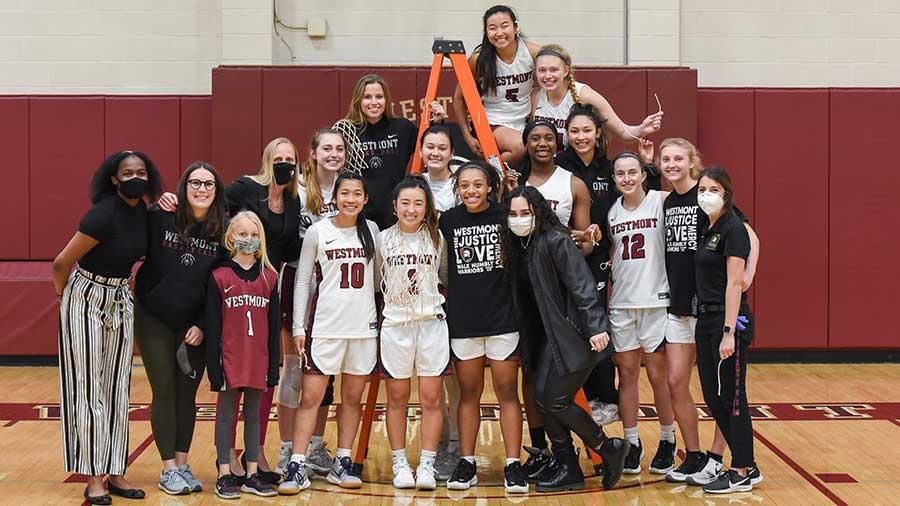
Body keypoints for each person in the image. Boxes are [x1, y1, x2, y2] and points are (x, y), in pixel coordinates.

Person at [159, 137, 302, 481]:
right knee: (229, 399)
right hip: (232, 283)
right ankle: (227, 464)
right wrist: (175, 200)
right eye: (278, 157)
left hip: (265, 282)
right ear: (266, 160)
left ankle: (255, 458)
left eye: (290, 158)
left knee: (261, 387)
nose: (284, 163)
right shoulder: (244, 189)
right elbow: (211, 204)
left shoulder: (295, 200)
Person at [502, 185, 630, 492]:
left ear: (539, 213)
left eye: (526, 213)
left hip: (573, 333)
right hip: (546, 337)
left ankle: (608, 447)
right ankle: (567, 466)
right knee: (544, 401)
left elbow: (582, 284)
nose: (519, 219)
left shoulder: (555, 239)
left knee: (555, 400)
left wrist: (596, 327)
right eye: (513, 214)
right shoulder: (521, 245)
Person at [52, 150, 162, 505]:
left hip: (119, 296)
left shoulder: (143, 213)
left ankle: (115, 469)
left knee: (117, 387)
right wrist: (66, 299)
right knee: (88, 390)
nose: (135, 176)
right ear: (114, 179)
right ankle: (93, 476)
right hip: (86, 293)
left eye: (141, 171)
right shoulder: (102, 214)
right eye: (127, 172)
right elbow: (61, 262)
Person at [656, 138, 760, 485]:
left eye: (678, 158)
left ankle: (732, 462)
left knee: (728, 395)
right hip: (691, 310)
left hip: (721, 317)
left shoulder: (722, 216)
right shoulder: (681, 207)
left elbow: (746, 236)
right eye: (664, 158)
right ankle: (704, 456)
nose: (671, 164)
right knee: (702, 392)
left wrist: (748, 274)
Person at [279, 172, 381, 494]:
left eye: (357, 194)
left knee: (352, 399)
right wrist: (298, 326)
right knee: (311, 397)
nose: (351, 199)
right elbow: (303, 281)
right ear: (334, 198)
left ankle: (343, 461)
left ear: (365, 199)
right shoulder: (317, 232)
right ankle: (297, 463)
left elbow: (378, 281)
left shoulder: (373, 232)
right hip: (324, 327)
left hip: (363, 330)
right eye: (345, 193)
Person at [134, 162, 227, 495]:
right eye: (195, 183)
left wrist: (202, 324)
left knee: (187, 395)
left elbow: (219, 287)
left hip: (194, 326)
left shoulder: (223, 232)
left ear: (217, 192)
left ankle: (182, 464)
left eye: (209, 184)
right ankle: (167, 469)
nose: (201, 189)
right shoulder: (162, 218)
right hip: (154, 316)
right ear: (184, 187)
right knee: (164, 389)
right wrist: (156, 203)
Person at [438, 161, 528, 493]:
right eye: (464, 186)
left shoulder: (505, 217)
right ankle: (467, 462)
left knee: (507, 392)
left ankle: (513, 464)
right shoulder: (448, 220)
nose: (471, 190)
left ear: (490, 186)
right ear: (457, 189)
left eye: (478, 184)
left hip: (503, 319)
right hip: (464, 321)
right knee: (468, 394)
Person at [276, 129, 346, 478]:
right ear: (313, 153)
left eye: (339, 149)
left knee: (324, 372)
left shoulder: (350, 187)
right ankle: (286, 447)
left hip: (334, 284)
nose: (333, 154)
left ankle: (316, 447)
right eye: (327, 148)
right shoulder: (296, 186)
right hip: (297, 277)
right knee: (292, 370)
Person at [375, 176, 450, 490]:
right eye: (405, 202)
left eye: (418, 203)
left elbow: (444, 276)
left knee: (432, 398)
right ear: (394, 206)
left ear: (427, 207)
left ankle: (428, 465)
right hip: (395, 325)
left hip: (431, 323)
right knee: (397, 398)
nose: (411, 209)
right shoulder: (381, 239)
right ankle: (400, 463)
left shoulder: (437, 237)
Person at [606, 152, 678, 476]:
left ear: (643, 174)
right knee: (627, 377)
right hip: (622, 304)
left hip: (655, 302)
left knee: (658, 376)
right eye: (620, 173)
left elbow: (683, 190)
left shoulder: (660, 202)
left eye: (632, 172)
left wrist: (654, 161)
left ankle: (667, 438)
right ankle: (632, 442)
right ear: (614, 178)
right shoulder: (610, 213)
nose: (627, 178)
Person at [692, 167, 762, 494]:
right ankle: (747, 461)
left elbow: (735, 283)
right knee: (712, 396)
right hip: (704, 320)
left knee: (733, 397)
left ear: (726, 193)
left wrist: (729, 331)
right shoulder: (707, 227)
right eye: (702, 188)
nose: (706, 194)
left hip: (727, 320)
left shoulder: (733, 228)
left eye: (714, 189)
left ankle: (741, 469)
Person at [205, 211, 280, 499]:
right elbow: (212, 328)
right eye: (242, 234)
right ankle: (225, 473)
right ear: (230, 238)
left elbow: (273, 329)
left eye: (253, 234)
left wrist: (273, 367)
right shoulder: (219, 276)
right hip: (230, 359)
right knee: (225, 415)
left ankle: (251, 474)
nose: (248, 239)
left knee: (253, 416)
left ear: (260, 239)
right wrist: (215, 367)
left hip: (258, 359)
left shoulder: (269, 277)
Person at [554, 105, 619, 427]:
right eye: (574, 131)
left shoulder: (610, 169)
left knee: (596, 324)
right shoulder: (558, 166)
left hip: (599, 259)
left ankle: (605, 396)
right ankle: (575, 394)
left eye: (586, 131)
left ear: (597, 134)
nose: (580, 137)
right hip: (566, 256)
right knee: (572, 326)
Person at [333, 74, 445, 230]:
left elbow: (430, 147)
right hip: (359, 214)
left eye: (379, 96)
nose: (374, 102)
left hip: (396, 214)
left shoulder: (402, 128)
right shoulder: (348, 132)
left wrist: (437, 122)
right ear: (358, 100)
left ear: (386, 100)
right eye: (367, 97)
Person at [416, 123, 462, 480]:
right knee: (432, 373)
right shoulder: (414, 186)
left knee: (456, 376)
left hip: (459, 282)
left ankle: (457, 445)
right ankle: (444, 440)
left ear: (450, 151)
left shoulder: (461, 183)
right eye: (429, 146)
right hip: (423, 287)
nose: (435, 153)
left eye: (442, 147)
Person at [453, 4, 541, 167]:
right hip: (490, 123)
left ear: (516, 27)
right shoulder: (479, 60)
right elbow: (458, 99)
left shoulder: (533, 52)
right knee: (520, 146)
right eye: (492, 28)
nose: (499, 33)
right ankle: (485, 173)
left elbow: (554, 74)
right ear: (486, 33)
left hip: (523, 122)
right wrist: (468, 137)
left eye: (505, 26)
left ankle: (487, 171)